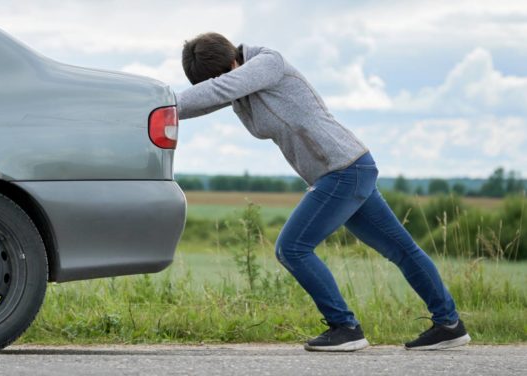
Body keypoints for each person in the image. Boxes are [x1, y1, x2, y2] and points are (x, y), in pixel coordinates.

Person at [176, 32, 471, 352]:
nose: (220, 85)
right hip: (347, 169)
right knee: (401, 249)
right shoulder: (237, 82)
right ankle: (449, 325)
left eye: (222, 76)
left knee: (292, 248)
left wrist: (163, 103)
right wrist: (155, 110)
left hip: (343, 169)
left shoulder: (267, 63)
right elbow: (210, 98)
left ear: (234, 61)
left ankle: (345, 327)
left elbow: (220, 89)